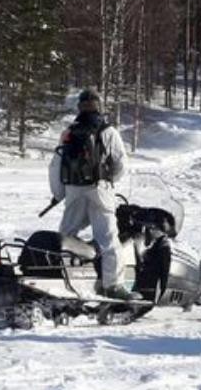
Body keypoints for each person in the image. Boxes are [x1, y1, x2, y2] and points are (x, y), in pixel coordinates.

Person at [48, 89, 140, 301]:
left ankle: (59, 278)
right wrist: (108, 181)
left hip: (73, 190)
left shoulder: (69, 132)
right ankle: (113, 286)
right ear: (99, 105)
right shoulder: (108, 132)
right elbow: (120, 165)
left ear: (79, 107)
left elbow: (55, 165)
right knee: (108, 239)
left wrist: (60, 193)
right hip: (99, 189)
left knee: (66, 236)